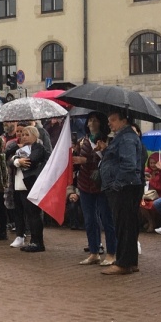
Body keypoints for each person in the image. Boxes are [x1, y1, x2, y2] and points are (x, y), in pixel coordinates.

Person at [98, 109, 145, 275]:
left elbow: (129, 164)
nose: (109, 123)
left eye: (113, 120)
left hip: (124, 188)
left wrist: (116, 184)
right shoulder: (124, 137)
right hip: (127, 186)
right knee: (128, 225)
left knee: (123, 225)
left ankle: (123, 263)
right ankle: (130, 261)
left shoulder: (125, 138)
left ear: (124, 121)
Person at [72, 112, 116, 265]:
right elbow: (76, 162)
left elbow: (110, 160)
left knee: (107, 218)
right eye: (90, 120)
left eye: (96, 120)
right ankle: (94, 251)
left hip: (102, 184)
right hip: (85, 183)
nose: (92, 123)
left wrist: (89, 157)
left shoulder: (108, 141)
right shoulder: (81, 141)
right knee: (90, 219)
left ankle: (111, 253)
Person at [10, 126, 48, 252]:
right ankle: (28, 239)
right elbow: (9, 159)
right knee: (23, 212)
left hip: (31, 184)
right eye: (23, 134)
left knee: (33, 213)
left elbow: (30, 161)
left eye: (27, 134)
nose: (24, 136)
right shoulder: (18, 148)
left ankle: (37, 242)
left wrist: (18, 161)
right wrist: (16, 160)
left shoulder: (38, 147)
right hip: (19, 184)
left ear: (35, 136)